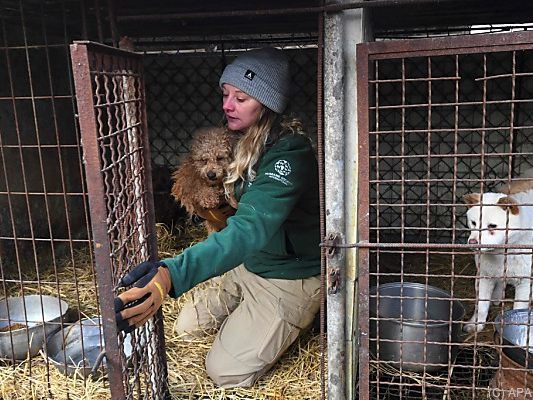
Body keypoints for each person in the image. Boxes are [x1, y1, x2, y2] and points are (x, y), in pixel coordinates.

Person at [114, 47, 321, 388]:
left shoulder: (290, 153)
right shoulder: (242, 142)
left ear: (266, 104)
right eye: (226, 95)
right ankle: (249, 322)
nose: (227, 105)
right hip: (250, 263)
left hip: (288, 275)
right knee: (185, 329)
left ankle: (293, 319)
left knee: (225, 372)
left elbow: (250, 228)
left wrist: (171, 274)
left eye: (241, 98)